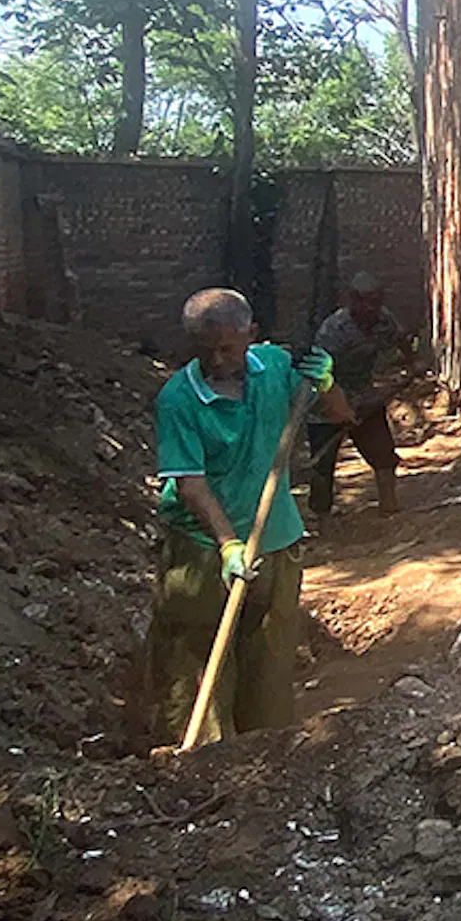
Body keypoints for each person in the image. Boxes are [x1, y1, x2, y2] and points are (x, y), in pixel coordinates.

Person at [144, 286, 346, 743]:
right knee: (196, 661)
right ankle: (200, 761)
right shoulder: (179, 399)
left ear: (250, 335)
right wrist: (228, 544)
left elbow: (340, 414)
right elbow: (191, 484)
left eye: (227, 348)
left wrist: (328, 383)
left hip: (278, 542)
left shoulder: (275, 368)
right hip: (201, 550)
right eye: (205, 349)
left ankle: (263, 758)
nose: (217, 360)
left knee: (270, 661)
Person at [303, 270, 419, 520]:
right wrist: (340, 407)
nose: (370, 307)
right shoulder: (334, 331)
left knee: (383, 453)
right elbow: (320, 373)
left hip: (365, 397)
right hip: (328, 400)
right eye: (363, 300)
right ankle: (320, 516)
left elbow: (401, 338)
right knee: (322, 464)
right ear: (350, 300)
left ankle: (389, 507)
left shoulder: (384, 320)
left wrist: (411, 364)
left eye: (375, 301)